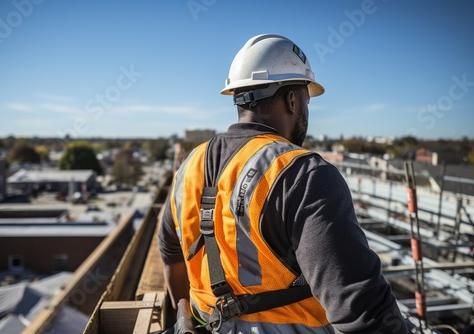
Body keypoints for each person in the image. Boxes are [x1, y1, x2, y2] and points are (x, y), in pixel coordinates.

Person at [158, 34, 409, 333]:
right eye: (306, 98)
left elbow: (171, 255)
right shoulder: (303, 174)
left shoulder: (190, 165)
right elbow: (364, 313)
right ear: (292, 100)